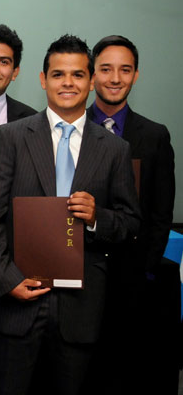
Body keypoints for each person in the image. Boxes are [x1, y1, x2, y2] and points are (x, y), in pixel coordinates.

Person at [0, 34, 141, 395]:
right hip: (15, 303)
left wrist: (98, 217)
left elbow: (131, 222)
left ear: (91, 80)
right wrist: (7, 280)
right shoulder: (11, 137)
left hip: (80, 308)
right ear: (42, 79)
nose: (68, 83)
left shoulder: (114, 149)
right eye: (58, 74)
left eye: (78, 75)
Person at [83, 35, 177, 394]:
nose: (115, 78)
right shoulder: (67, 129)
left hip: (130, 282)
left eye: (125, 70)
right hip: (77, 274)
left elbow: (159, 214)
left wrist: (146, 271)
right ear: (92, 75)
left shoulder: (154, 136)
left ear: (136, 75)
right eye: (106, 69)